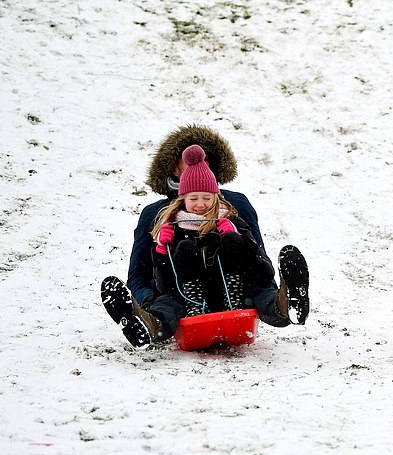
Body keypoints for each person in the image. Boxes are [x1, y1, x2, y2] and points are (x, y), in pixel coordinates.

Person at [101, 125, 309, 347]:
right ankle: (147, 324)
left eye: (204, 158)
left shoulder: (234, 205)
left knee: (259, 291)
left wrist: (242, 245)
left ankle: (287, 303)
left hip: (235, 290)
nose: (198, 162)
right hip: (184, 295)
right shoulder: (156, 215)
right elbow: (138, 275)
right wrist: (149, 302)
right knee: (167, 304)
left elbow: (258, 259)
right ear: (173, 166)